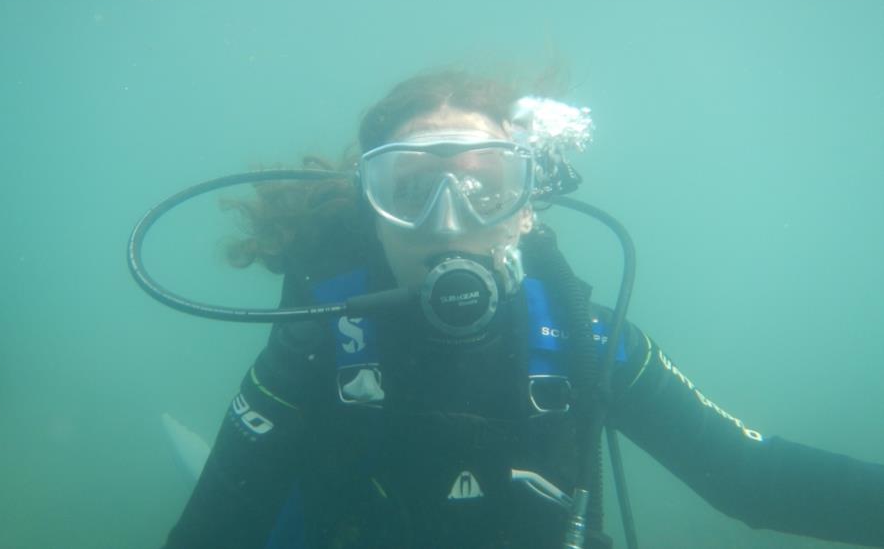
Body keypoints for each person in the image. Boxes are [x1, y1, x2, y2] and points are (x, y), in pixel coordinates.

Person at [160, 70, 884, 549]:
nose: (447, 222)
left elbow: (751, 477)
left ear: (527, 208)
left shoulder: (579, 335)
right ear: (371, 210)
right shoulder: (317, 342)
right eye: (408, 189)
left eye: (485, 188)